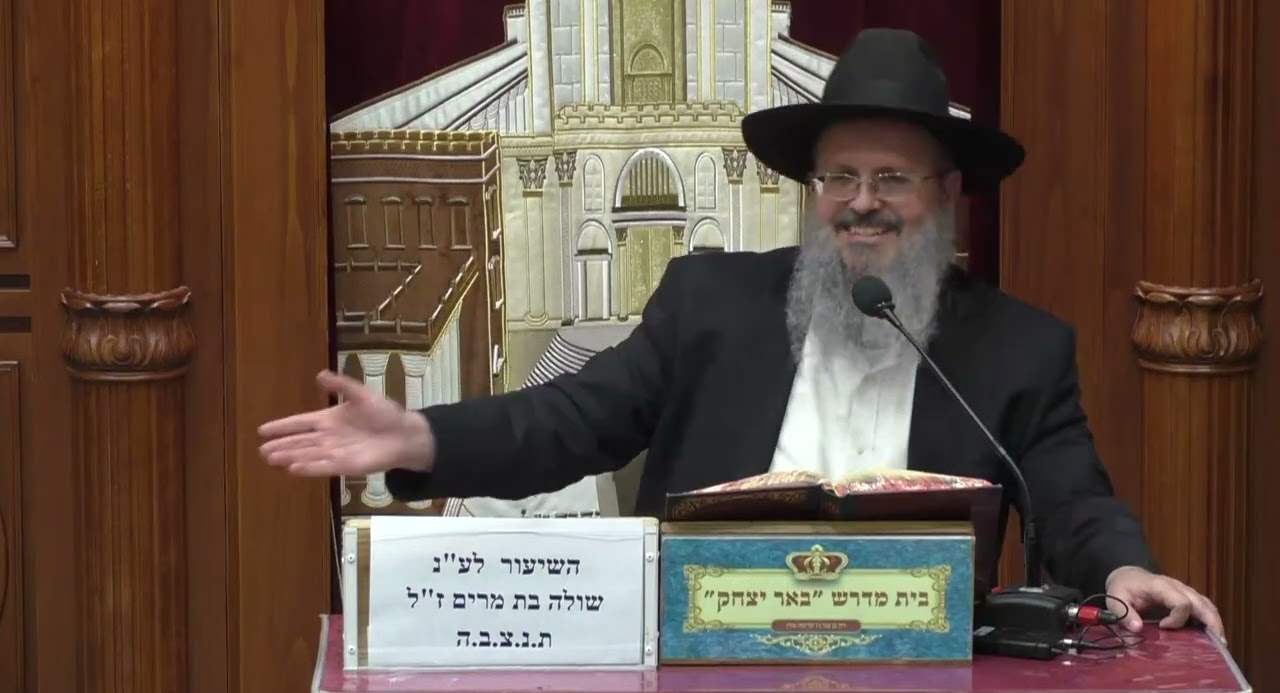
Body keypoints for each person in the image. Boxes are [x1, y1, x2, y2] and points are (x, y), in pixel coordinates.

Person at [259, 28, 1224, 640]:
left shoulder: (1018, 347)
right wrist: (419, 437)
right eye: (839, 178)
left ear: (946, 195)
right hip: (709, 674)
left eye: (892, 180)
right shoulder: (709, 303)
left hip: (919, 679)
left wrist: (1124, 568)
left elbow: (1070, 498)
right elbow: (572, 419)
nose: (861, 203)